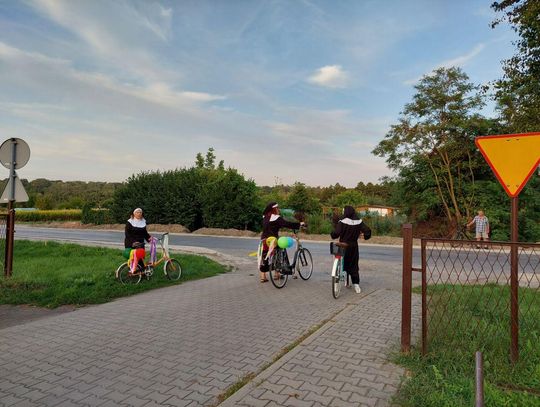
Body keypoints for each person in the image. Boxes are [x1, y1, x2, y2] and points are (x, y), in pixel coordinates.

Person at [258, 202, 303, 282]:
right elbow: (287, 224)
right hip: (273, 240)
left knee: (264, 256)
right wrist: (299, 224)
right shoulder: (276, 218)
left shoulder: (265, 217)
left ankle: (263, 276)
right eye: (277, 208)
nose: (278, 209)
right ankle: (277, 274)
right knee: (280, 252)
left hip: (264, 240)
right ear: (274, 209)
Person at [330, 206, 371, 294]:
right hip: (353, 246)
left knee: (341, 263)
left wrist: (332, 234)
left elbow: (336, 233)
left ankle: (338, 280)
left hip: (343, 246)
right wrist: (365, 236)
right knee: (354, 265)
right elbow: (367, 230)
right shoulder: (358, 221)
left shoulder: (342, 221)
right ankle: (356, 285)